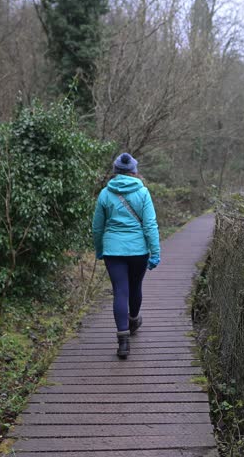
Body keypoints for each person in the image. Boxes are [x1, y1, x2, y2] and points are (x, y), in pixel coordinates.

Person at [92, 153, 161, 359]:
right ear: (134, 171)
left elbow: (97, 227)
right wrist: (155, 252)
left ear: (115, 171)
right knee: (135, 287)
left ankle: (123, 342)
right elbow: (149, 225)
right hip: (138, 250)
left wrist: (99, 248)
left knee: (120, 291)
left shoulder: (105, 193)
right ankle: (133, 320)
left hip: (113, 251)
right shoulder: (143, 192)